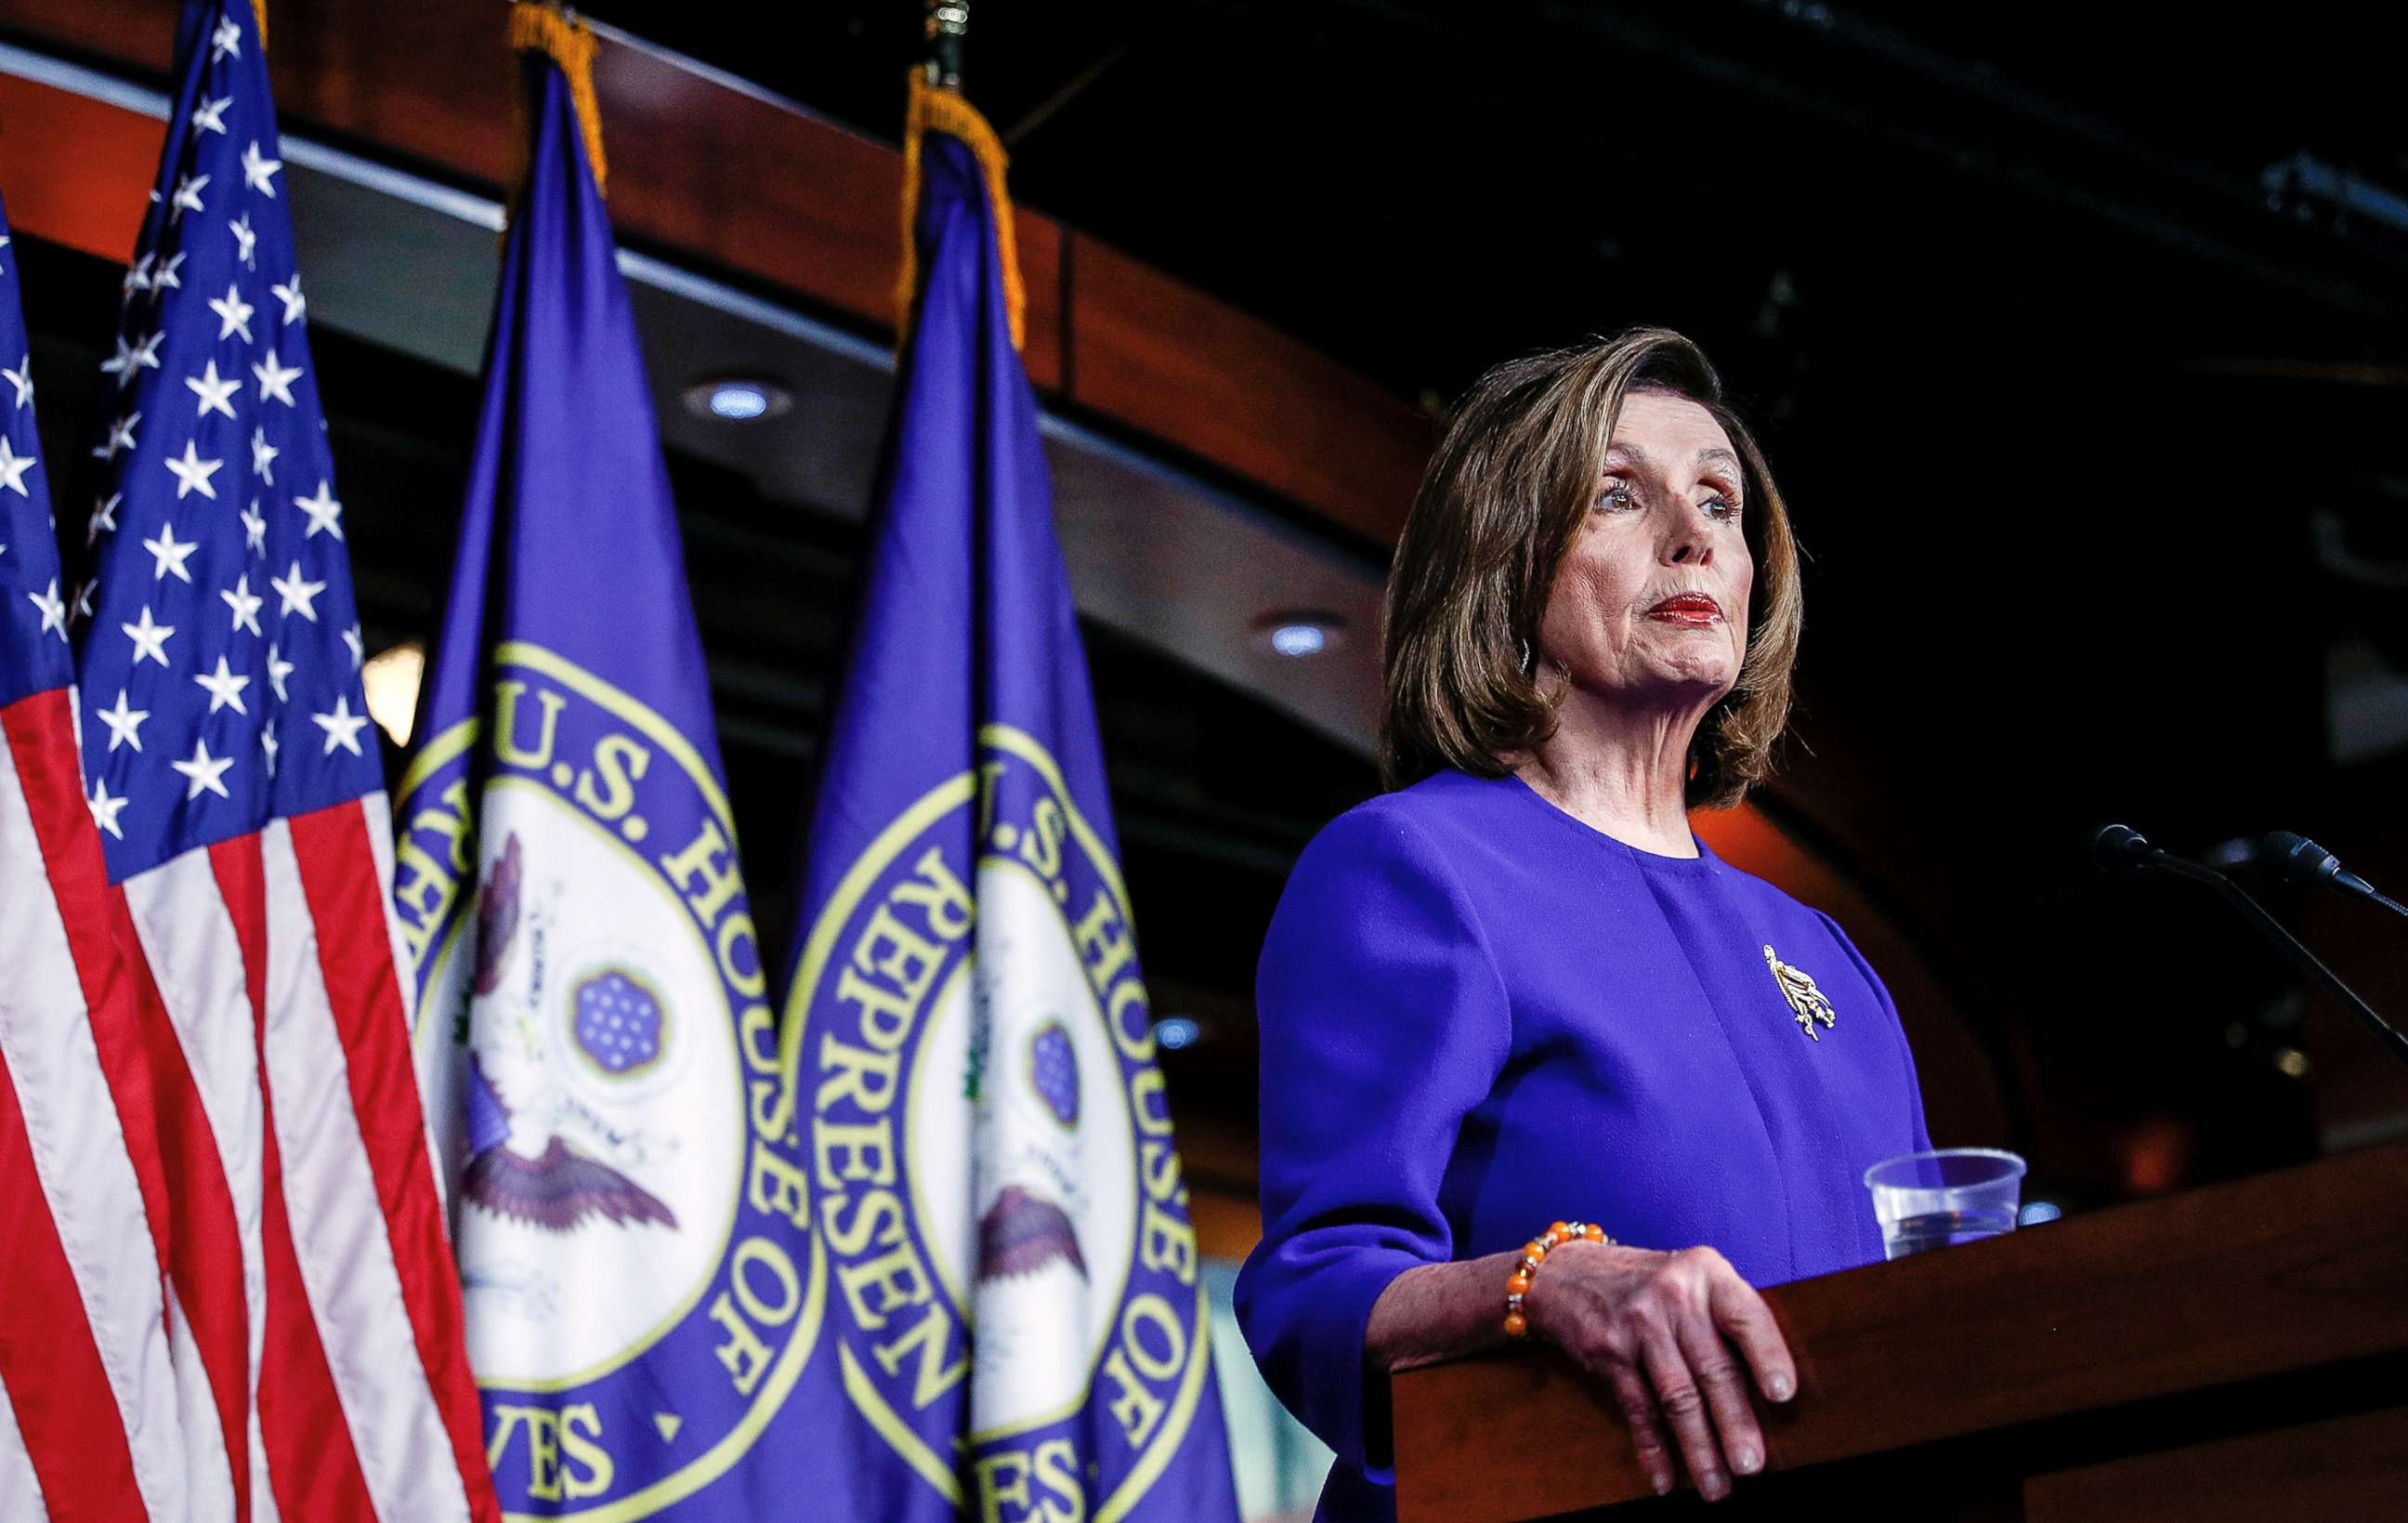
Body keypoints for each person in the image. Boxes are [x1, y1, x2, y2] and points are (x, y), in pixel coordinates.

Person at [1235, 327, 1933, 1519]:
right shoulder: (1417, 868)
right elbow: (1313, 1289)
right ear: (1503, 564)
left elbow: (1947, 1322)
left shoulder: (1827, 959)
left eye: (1720, 500)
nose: (1693, 531)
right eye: (1620, 494)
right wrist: (1544, 1285)